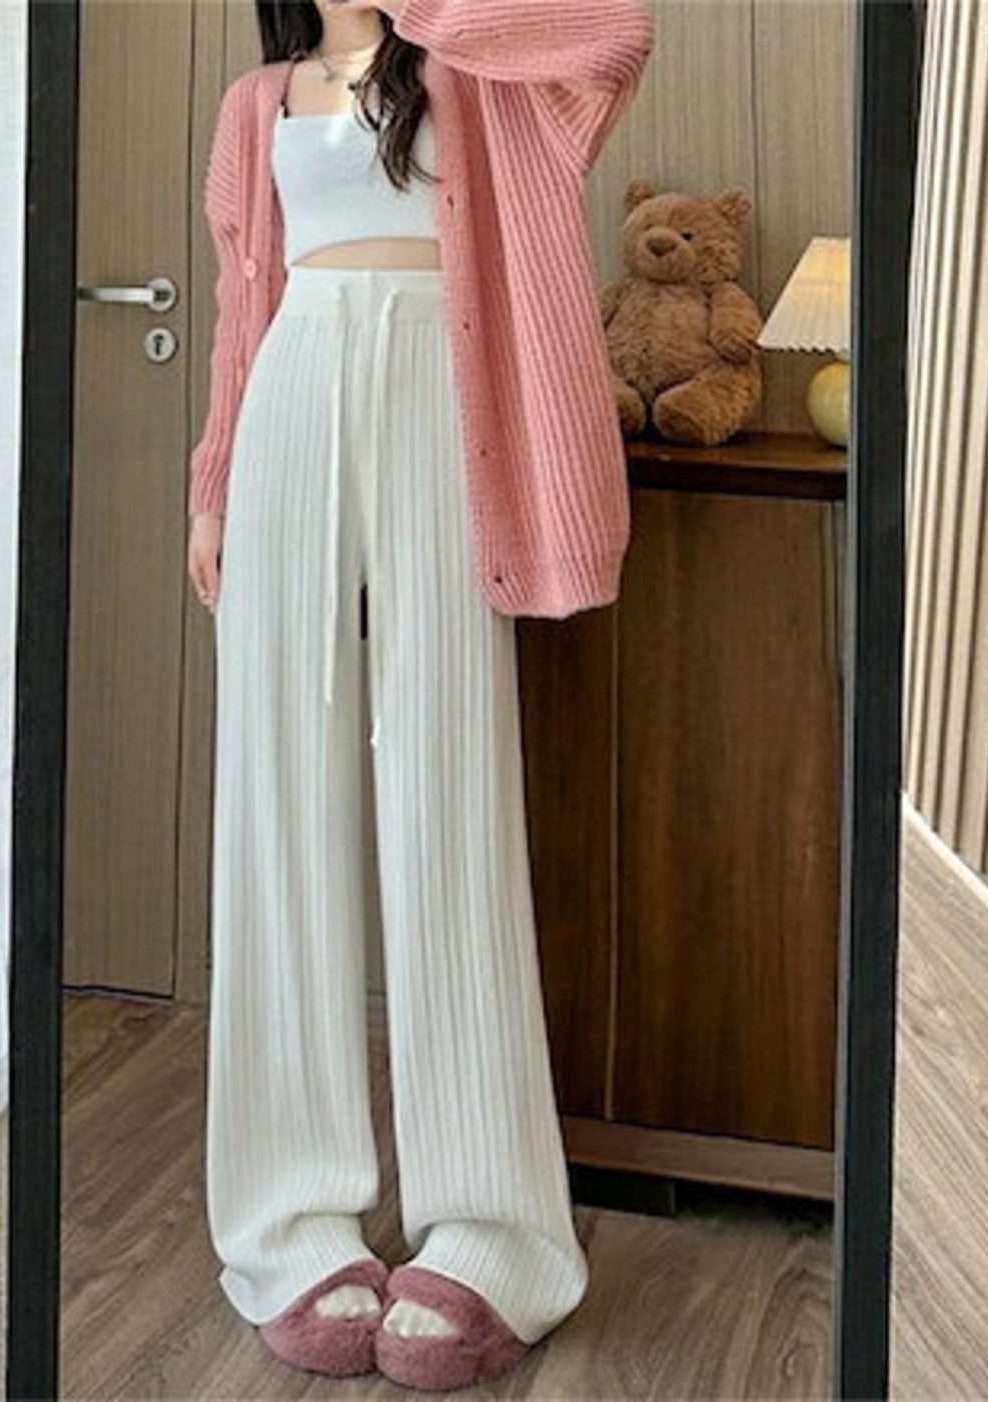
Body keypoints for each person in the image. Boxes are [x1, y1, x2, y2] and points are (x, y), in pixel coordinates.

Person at [186, 0, 653, 1390]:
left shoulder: (477, 70)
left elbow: (615, 37)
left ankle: (490, 1230)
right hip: (291, 400)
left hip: (442, 403)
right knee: (278, 791)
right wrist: (213, 482)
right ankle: (289, 1219)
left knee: (448, 777)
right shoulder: (259, 101)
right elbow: (243, 306)